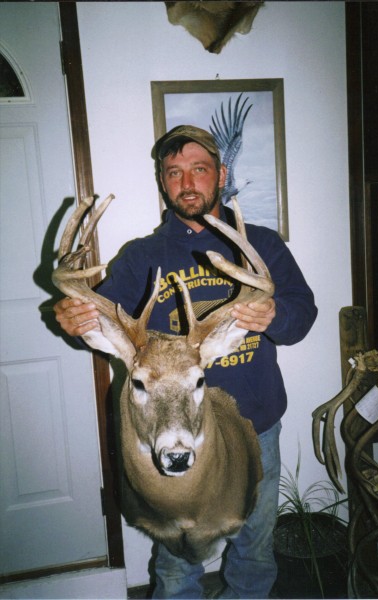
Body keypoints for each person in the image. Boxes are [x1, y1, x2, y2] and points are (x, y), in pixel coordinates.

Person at [54, 125, 318, 599]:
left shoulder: (259, 247)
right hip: (168, 427)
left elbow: (302, 317)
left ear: (221, 174)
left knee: (254, 553)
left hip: (254, 428)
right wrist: (76, 321)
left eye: (199, 169)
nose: (187, 182)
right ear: (163, 181)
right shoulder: (142, 257)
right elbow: (103, 327)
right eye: (174, 172)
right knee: (176, 567)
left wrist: (275, 313)